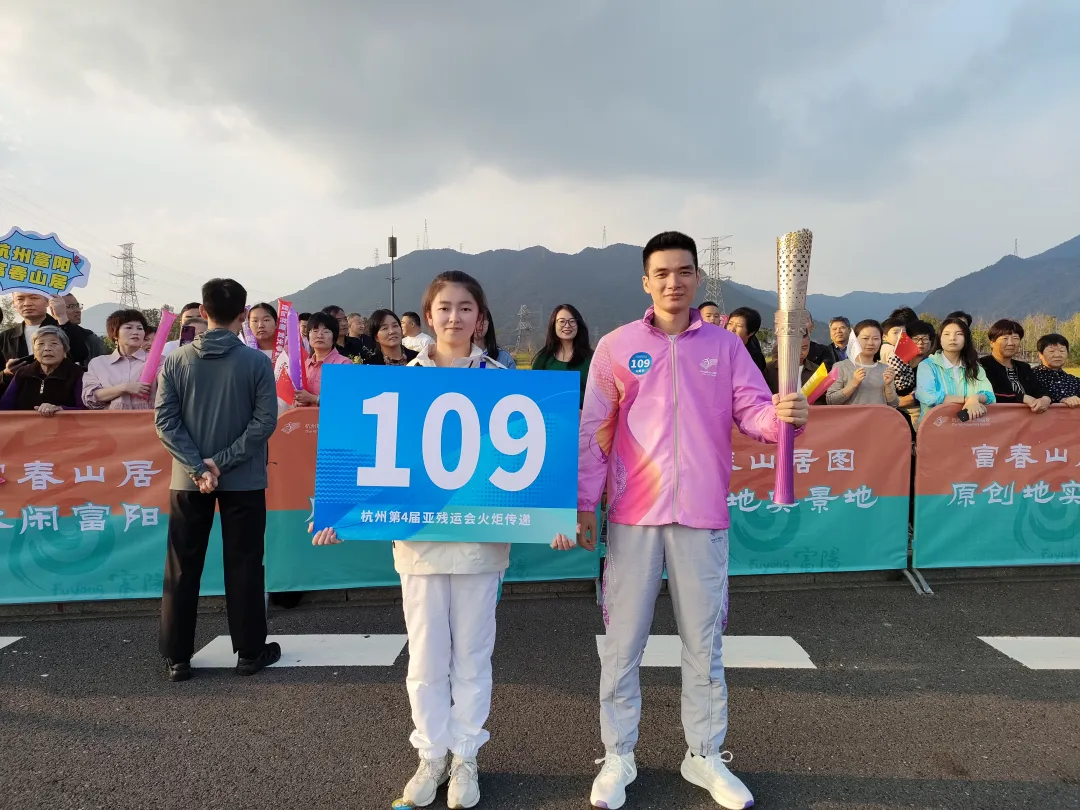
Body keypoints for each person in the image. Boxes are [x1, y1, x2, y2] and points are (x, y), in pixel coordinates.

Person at [552, 231, 807, 810]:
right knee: (623, 644)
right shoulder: (616, 346)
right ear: (646, 281)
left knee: (704, 644)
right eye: (662, 273)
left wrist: (783, 417)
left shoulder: (726, 346)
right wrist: (585, 504)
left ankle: (705, 754)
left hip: (701, 515)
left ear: (697, 278)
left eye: (684, 271)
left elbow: (753, 411)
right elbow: (594, 430)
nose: (674, 282)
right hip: (634, 516)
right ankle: (618, 754)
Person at [312, 271, 506, 810]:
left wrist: (553, 516)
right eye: (444, 307)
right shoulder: (397, 381)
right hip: (418, 541)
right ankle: (431, 753)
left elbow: (528, 464)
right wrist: (337, 512)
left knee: (473, 655)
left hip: (479, 541)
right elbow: (363, 455)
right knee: (425, 656)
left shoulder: (501, 381)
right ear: (428, 315)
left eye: (465, 307)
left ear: (480, 318)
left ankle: (465, 754)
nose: (454, 317)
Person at [155, 278, 280, 683]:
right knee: (245, 562)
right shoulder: (257, 363)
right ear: (243, 314)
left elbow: (165, 422)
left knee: (182, 565)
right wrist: (220, 463)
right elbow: (265, 422)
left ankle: (177, 657)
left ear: (203, 312)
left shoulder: (176, 360)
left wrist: (198, 467)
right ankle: (249, 652)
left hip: (188, 480)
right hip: (244, 478)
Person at [915, 317, 995, 422]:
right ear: (940, 339)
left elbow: (990, 396)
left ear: (966, 339)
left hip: (969, 427)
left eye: (959, 334)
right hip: (935, 427)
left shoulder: (974, 367)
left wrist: (975, 398)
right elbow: (928, 396)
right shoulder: (927, 365)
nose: (952, 338)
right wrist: (967, 400)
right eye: (947, 334)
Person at [0, 326, 84, 415]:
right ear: (34, 352)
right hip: (25, 424)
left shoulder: (78, 374)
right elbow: (4, 407)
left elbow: (85, 408)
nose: (47, 348)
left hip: (66, 424)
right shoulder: (23, 373)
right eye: (40, 344)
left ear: (65, 350)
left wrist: (60, 409)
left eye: (54, 343)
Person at [82, 309, 156, 411]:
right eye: (129, 327)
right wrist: (124, 388)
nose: (136, 332)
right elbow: (90, 397)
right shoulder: (98, 363)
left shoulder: (159, 361)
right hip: (111, 421)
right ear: (115, 333)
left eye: (140, 328)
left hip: (149, 420)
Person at [1, 292, 90, 375]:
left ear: (47, 301)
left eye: (34, 298)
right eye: (20, 299)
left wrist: (62, 317)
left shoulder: (66, 328)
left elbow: (80, 355)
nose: (27, 303)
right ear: (13, 303)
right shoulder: (5, 337)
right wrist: (6, 373)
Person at [979, 319, 1051, 412]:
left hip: (1027, 419)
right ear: (992, 343)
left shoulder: (1024, 367)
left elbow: (1038, 389)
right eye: (1005, 338)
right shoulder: (981, 365)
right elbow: (990, 394)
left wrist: (1045, 398)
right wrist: (1022, 398)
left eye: (1015, 338)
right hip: (995, 417)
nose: (1011, 343)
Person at [826, 319, 900, 407]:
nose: (870, 343)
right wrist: (853, 384)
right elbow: (831, 401)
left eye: (876, 339)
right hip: (851, 416)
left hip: (879, 416)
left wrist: (888, 386)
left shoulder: (885, 369)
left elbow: (894, 404)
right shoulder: (841, 367)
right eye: (865, 338)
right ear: (855, 340)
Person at [531, 304, 594, 408]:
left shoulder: (592, 358)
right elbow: (534, 391)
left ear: (579, 325)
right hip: (551, 415)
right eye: (561, 321)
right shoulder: (543, 358)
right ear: (553, 325)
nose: (567, 325)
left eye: (572, 321)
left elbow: (600, 395)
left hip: (585, 415)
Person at [291, 311, 353, 406]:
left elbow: (346, 399)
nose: (319, 335)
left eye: (326, 331)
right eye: (315, 331)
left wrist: (314, 399)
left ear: (334, 337)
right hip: (303, 415)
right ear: (308, 335)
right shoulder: (306, 363)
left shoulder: (344, 364)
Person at [897, 320, 936, 428]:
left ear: (931, 342)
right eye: (915, 338)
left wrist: (895, 402)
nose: (920, 342)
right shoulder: (897, 362)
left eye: (925, 338)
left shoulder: (933, 366)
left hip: (919, 413)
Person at [763, 329, 820, 397]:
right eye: (795, 348)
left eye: (804, 348)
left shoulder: (816, 371)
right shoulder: (769, 369)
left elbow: (822, 399)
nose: (799, 352)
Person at [1033, 333, 1080, 406]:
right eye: (1051, 351)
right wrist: (1061, 400)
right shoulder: (1029, 376)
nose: (1057, 355)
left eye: (1062, 351)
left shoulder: (1075, 381)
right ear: (1040, 354)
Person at [63, 293, 107, 359]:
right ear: (53, 310)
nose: (78, 310)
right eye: (71, 306)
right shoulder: (47, 335)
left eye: (78, 306)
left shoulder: (90, 339)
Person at [725, 306, 767, 374]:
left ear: (751, 332)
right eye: (730, 323)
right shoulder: (719, 346)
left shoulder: (754, 359)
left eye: (739, 326)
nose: (732, 329)